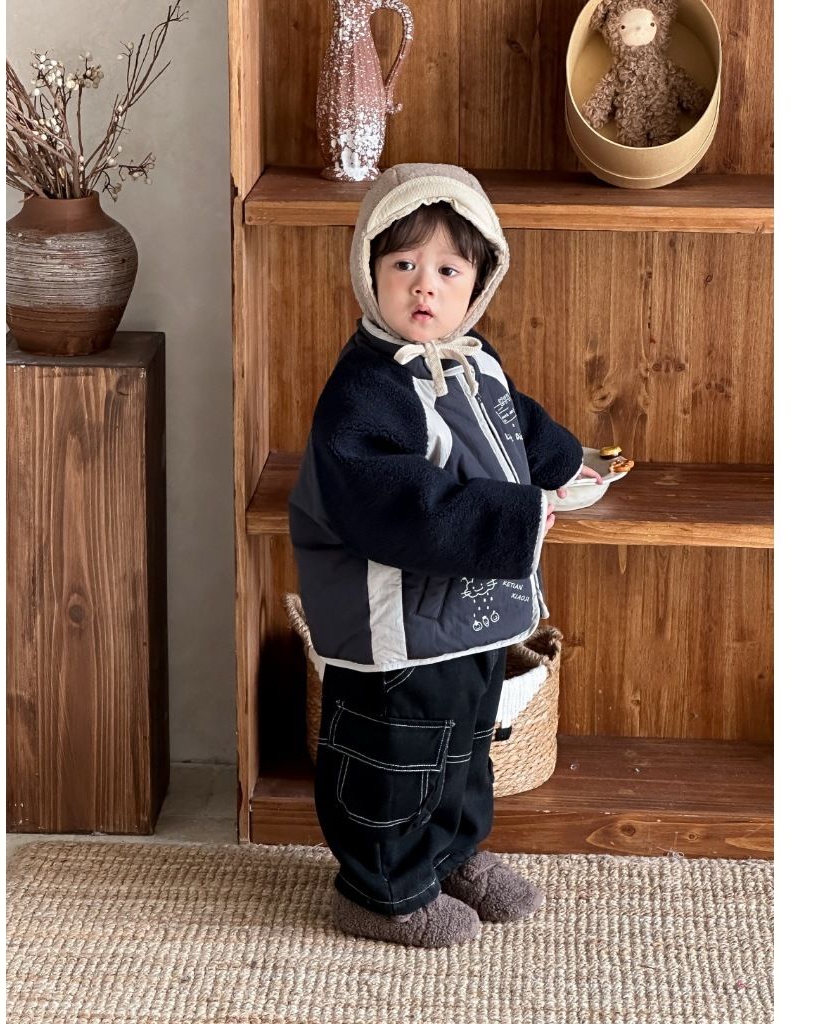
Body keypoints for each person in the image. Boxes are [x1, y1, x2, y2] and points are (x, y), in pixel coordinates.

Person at [289, 163, 602, 948]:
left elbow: (514, 420)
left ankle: (452, 855)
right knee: (398, 755)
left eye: (448, 269)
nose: (424, 285)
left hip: (468, 618)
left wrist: (564, 461)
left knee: (465, 745)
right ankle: (381, 891)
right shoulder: (366, 392)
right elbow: (395, 504)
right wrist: (516, 516)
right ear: (370, 272)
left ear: (479, 283)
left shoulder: (472, 359)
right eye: (404, 263)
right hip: (398, 627)